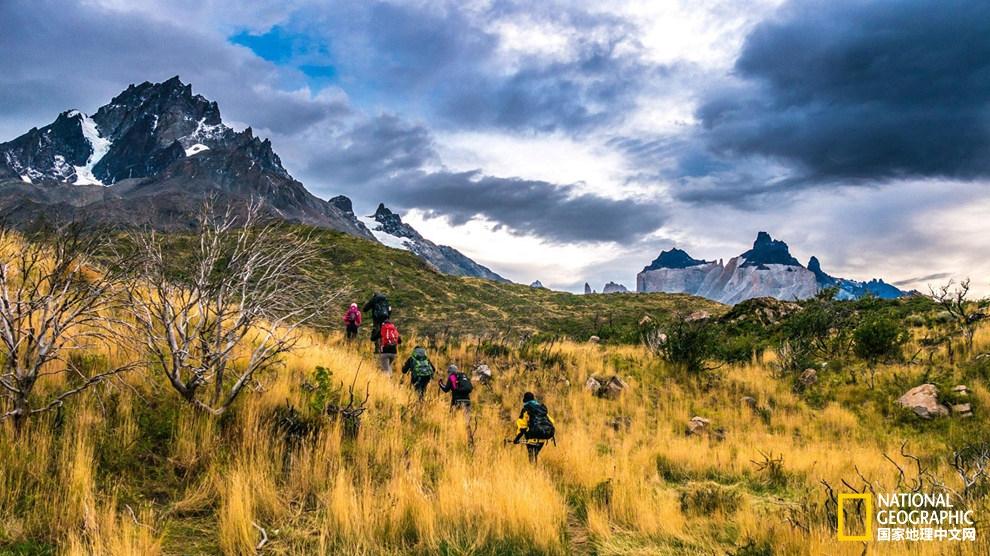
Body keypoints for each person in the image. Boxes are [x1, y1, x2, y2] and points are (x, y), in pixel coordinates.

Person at [513, 392, 555, 464]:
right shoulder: (541, 409)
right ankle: (534, 470)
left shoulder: (526, 409)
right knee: (535, 455)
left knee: (531, 457)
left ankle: (533, 472)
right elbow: (552, 421)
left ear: (525, 400)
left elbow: (522, 427)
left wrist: (516, 439)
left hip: (532, 438)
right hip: (543, 437)